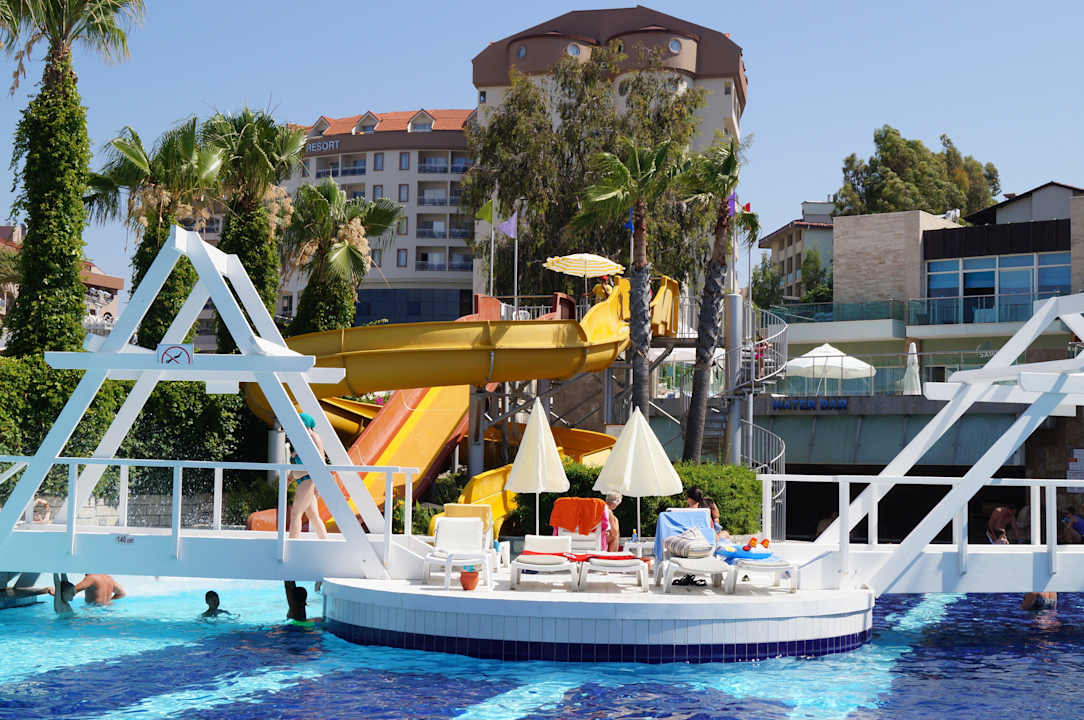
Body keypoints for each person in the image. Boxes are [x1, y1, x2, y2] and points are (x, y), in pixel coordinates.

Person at [288, 412, 329, 540]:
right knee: (313, 516)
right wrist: (290, 477)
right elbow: (298, 465)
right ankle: (325, 541)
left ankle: (292, 543)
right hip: (302, 479)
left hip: (308, 480)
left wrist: (318, 484)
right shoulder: (303, 440)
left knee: (296, 513)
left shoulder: (314, 437)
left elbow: (321, 461)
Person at [47, 573, 125, 613]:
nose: (73, 596)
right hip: (107, 610)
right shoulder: (109, 578)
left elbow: (71, 590)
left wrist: (55, 594)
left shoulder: (91, 578)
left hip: (93, 612)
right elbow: (122, 594)